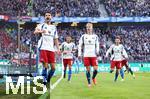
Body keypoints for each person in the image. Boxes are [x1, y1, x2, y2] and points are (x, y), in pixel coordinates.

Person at [34, 12, 60, 85]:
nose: (47, 17)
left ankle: (47, 80)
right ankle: (44, 84)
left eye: (49, 15)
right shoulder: (41, 25)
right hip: (43, 48)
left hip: (51, 49)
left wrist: (58, 49)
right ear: (44, 17)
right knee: (45, 66)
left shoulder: (54, 27)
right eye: (46, 15)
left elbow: (56, 39)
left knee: (53, 68)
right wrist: (41, 31)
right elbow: (35, 31)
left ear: (51, 17)